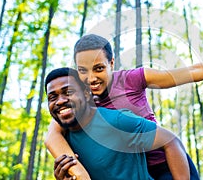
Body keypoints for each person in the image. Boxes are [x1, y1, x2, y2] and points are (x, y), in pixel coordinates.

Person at [45, 33, 203, 179]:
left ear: (111, 63)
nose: (92, 78)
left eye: (99, 68)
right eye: (84, 71)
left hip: (168, 164)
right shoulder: (80, 100)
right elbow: (52, 134)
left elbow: (194, 71)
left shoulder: (132, 78)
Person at [45, 67, 190, 180]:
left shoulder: (117, 121)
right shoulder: (62, 144)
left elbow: (170, 141)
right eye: (52, 97)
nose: (60, 101)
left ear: (87, 94)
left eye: (68, 92)